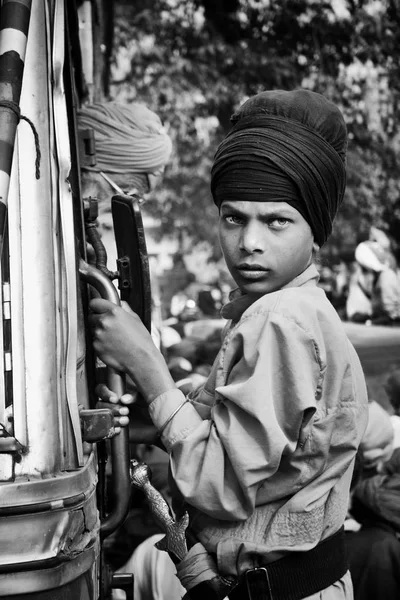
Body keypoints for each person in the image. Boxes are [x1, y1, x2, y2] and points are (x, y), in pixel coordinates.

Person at [89, 89, 369, 600]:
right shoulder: (293, 306)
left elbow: (217, 489)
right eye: (234, 217)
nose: (250, 242)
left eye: (277, 220)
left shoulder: (280, 317)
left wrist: (148, 367)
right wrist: (168, 413)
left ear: (316, 230)